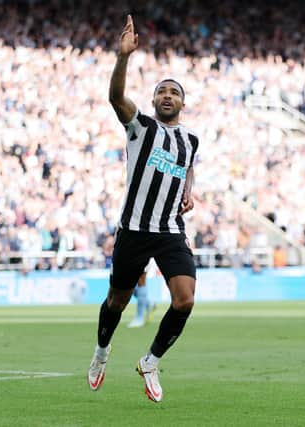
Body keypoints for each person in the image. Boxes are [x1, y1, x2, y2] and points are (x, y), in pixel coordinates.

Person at [87, 15, 198, 403]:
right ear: (154, 101)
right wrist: (123, 58)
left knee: (185, 300)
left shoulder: (191, 140)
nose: (168, 96)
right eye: (162, 91)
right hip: (133, 229)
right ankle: (102, 351)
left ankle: (150, 360)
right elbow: (116, 98)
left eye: (175, 92)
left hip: (169, 230)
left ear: (183, 102)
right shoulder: (141, 127)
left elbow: (188, 169)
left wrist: (190, 189)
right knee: (117, 301)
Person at [127, 260, 157, 328]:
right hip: (129, 255)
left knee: (141, 280)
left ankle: (139, 318)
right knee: (128, 284)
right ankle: (149, 304)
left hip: (143, 254)